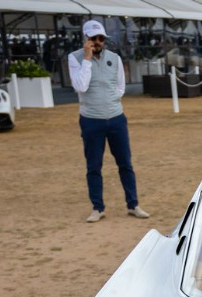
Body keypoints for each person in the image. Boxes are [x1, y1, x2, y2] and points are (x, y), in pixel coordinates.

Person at [67, 20, 149, 223]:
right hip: (91, 120)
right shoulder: (75, 58)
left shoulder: (115, 58)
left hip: (116, 119)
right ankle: (98, 208)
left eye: (101, 38)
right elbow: (80, 86)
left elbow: (120, 86)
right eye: (93, 38)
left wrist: (112, 101)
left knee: (125, 163)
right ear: (86, 38)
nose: (98, 42)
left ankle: (133, 204)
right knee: (94, 166)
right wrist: (87, 59)